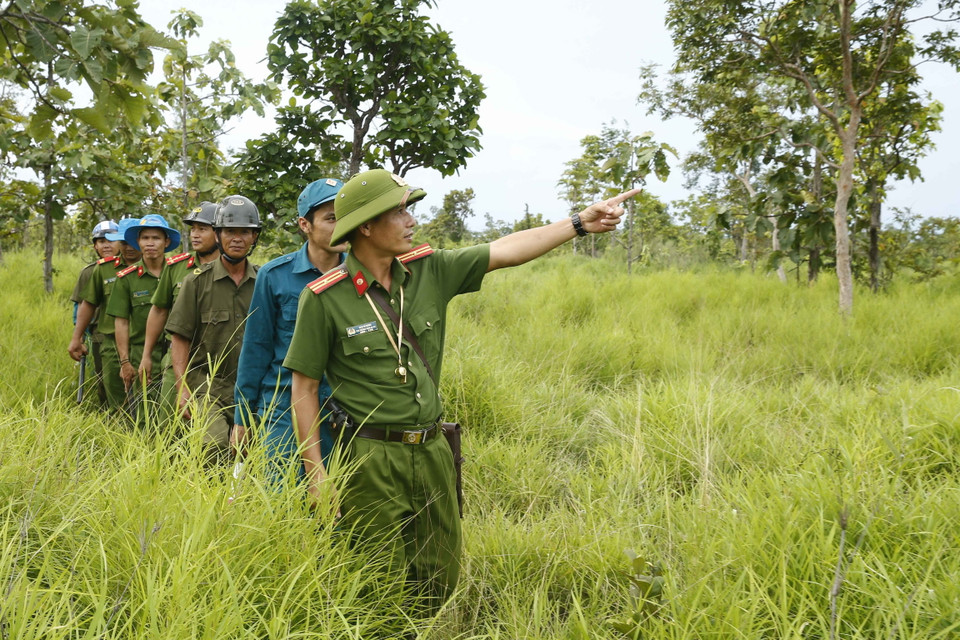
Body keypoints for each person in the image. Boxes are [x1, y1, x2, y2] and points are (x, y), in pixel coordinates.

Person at [284, 168, 638, 607]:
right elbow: (304, 387)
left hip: (433, 450)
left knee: (440, 574)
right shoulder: (325, 297)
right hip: (370, 457)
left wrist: (579, 223)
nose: (411, 220)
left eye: (409, 210)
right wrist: (316, 474)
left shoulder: (430, 270)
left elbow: (506, 250)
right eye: (398, 212)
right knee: (377, 582)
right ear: (367, 227)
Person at [234, 178, 346, 486]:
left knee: (343, 499)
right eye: (331, 218)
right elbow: (255, 349)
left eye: (346, 215)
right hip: (284, 411)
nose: (341, 226)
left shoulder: (360, 274)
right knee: (283, 497)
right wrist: (243, 418)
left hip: (345, 411)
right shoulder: (275, 276)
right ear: (304, 224)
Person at [166, 195, 260, 457]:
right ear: (218, 235)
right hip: (207, 388)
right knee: (213, 445)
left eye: (245, 232)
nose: (237, 239)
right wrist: (182, 389)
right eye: (230, 232)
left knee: (257, 452)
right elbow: (180, 338)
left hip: (253, 389)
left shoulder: (265, 281)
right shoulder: (196, 283)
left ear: (254, 237)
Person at [139, 202, 221, 416]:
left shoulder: (233, 268)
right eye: (193, 229)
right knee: (168, 419)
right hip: (177, 357)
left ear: (219, 232)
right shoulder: (176, 267)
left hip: (218, 359)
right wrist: (146, 355)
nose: (195, 234)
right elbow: (159, 310)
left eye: (202, 229)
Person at [106, 215, 181, 420]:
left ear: (166, 242)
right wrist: (125, 361)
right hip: (142, 352)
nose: (150, 243)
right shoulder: (127, 278)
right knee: (144, 412)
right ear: (138, 242)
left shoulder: (180, 272)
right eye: (145, 238)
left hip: (176, 350)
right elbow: (121, 322)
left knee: (176, 410)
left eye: (156, 238)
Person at [68, 218, 143, 409]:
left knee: (147, 394)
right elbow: (86, 304)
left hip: (145, 342)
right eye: (124, 242)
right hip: (108, 339)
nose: (129, 247)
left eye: (133, 242)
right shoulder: (101, 270)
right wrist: (77, 337)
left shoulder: (158, 267)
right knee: (112, 392)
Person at [70, 219, 119, 405]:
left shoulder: (131, 267)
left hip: (131, 332)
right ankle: (107, 414)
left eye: (111, 240)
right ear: (95, 246)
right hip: (100, 333)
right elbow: (80, 306)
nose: (106, 245)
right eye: (101, 241)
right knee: (104, 379)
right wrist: (79, 336)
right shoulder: (89, 272)